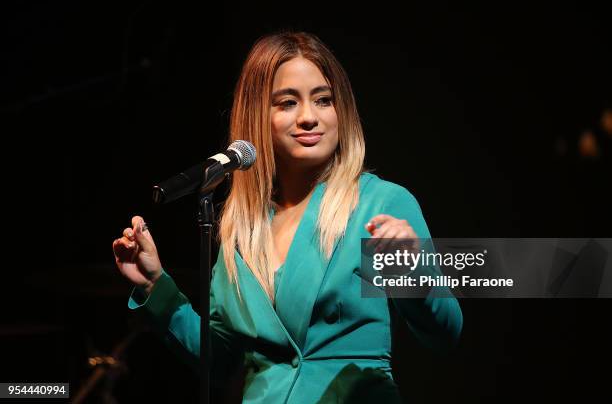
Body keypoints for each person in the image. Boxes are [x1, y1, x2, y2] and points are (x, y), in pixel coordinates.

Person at [112, 31, 463, 403]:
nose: (309, 117)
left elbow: (445, 334)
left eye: (324, 100)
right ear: (258, 115)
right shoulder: (241, 228)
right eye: (288, 103)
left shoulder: (381, 202)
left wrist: (412, 273)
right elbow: (223, 362)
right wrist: (155, 286)